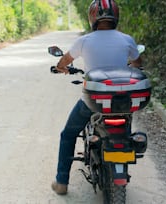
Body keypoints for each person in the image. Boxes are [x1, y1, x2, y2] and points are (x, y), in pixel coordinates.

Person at [51, 0, 142, 195]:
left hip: (93, 101)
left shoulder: (85, 41)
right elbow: (137, 64)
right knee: (126, 120)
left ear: (92, 17)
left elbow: (64, 61)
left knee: (68, 134)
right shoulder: (127, 39)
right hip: (122, 100)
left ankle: (61, 182)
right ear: (115, 16)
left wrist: (61, 68)